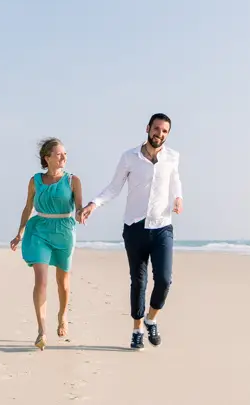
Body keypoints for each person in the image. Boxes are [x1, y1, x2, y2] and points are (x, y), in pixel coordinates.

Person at [79, 113, 183, 350]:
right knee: (138, 281)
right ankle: (137, 329)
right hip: (134, 227)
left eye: (165, 131)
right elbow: (114, 187)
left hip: (162, 227)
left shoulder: (173, 157)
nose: (160, 134)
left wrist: (178, 198)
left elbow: (175, 181)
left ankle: (151, 319)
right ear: (148, 128)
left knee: (164, 280)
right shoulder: (129, 157)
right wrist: (94, 204)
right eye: (157, 129)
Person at [10, 137, 84, 351]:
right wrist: (19, 233)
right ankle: (42, 330)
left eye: (65, 154)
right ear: (47, 158)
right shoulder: (35, 180)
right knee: (41, 281)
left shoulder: (73, 181)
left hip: (64, 232)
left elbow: (78, 207)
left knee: (63, 283)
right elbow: (27, 208)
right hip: (39, 230)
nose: (64, 157)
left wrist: (83, 213)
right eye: (59, 154)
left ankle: (62, 314)